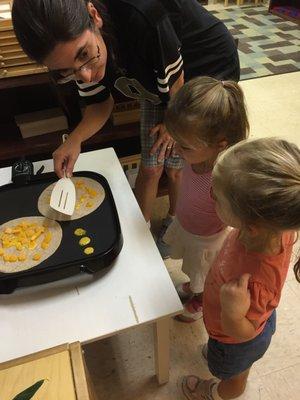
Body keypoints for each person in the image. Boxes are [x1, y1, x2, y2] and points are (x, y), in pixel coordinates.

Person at [12, 0, 240, 227]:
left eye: (84, 55)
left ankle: (181, 222)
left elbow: (177, 87)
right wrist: (74, 140)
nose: (87, 75)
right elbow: (99, 104)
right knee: (152, 164)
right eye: (66, 71)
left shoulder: (144, 15)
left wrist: (172, 126)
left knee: (188, 163)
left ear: (94, 16)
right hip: (160, 76)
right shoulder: (82, 57)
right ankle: (146, 230)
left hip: (204, 66)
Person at [178, 137, 300, 399]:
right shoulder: (273, 228)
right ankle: (217, 352)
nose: (211, 195)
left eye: (216, 197)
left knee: (233, 377)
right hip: (226, 330)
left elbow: (245, 332)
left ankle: (213, 392)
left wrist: (233, 314)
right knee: (221, 355)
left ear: (251, 223)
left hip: (237, 340)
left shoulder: (254, 280)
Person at [161, 76, 249, 322]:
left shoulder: (221, 179)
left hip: (206, 240)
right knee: (192, 268)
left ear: (220, 146)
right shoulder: (194, 156)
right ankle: (194, 284)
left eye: (185, 146)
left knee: (205, 274)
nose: (176, 149)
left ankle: (201, 299)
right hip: (188, 226)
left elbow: (236, 217)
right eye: (175, 141)